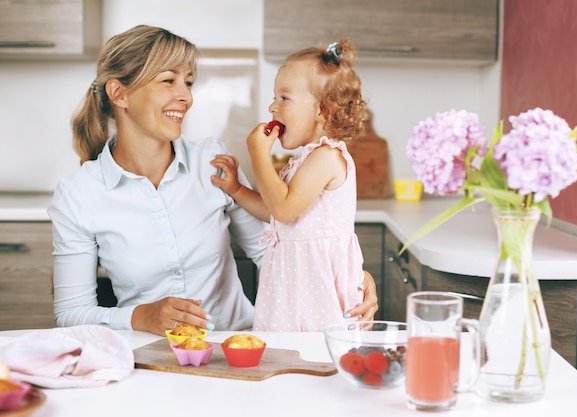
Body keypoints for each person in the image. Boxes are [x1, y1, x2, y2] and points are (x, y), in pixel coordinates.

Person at [48, 25, 378, 337]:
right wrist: (139, 317)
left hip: (239, 349)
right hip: (152, 358)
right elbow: (72, 314)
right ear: (119, 94)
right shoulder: (78, 196)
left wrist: (348, 278)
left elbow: (275, 248)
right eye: (168, 81)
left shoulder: (213, 162)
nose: (185, 97)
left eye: (188, 83)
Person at [211, 39, 369, 331]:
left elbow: (283, 209)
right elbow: (277, 211)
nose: (272, 106)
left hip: (316, 288)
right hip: (293, 286)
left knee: (318, 358)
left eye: (284, 98)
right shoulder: (303, 159)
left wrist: (258, 154)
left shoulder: (327, 157)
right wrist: (237, 190)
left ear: (323, 110)